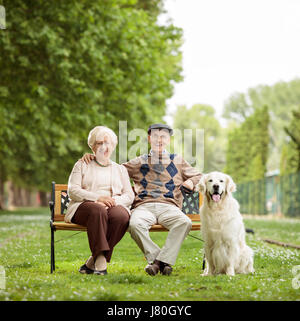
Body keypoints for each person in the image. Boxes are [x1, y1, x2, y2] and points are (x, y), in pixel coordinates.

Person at [82, 123, 202, 276]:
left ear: (168, 140)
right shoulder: (139, 161)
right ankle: (162, 261)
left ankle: (156, 263)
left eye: (163, 136)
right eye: (156, 136)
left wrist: (191, 182)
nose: (160, 140)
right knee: (134, 224)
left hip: (169, 207)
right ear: (149, 139)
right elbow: (112, 168)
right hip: (144, 207)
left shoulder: (178, 160)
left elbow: (200, 176)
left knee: (184, 222)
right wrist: (94, 157)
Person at [65, 126, 134, 275]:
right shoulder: (82, 164)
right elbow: (73, 190)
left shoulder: (120, 169)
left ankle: (93, 260)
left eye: (108, 143)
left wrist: (112, 201)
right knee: (98, 209)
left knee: (121, 216)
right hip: (84, 207)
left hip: (112, 205)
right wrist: (97, 198)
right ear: (92, 146)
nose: (104, 147)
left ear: (113, 146)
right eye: (99, 143)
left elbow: (129, 195)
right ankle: (101, 262)